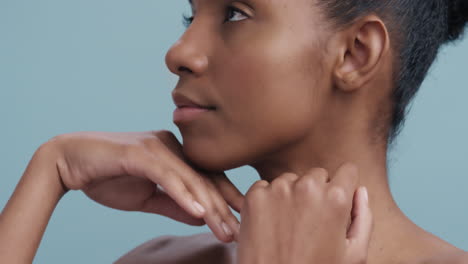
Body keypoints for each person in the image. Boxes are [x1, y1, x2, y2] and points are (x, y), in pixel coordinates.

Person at [1, 0, 467, 263]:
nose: (179, 52)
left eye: (234, 15)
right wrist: (52, 169)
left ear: (354, 54)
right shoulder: (157, 260)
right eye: (191, 15)